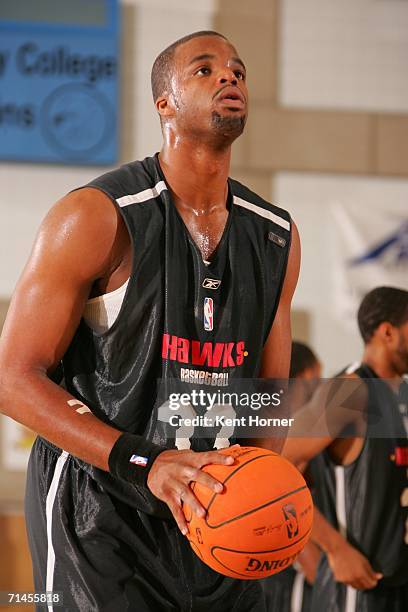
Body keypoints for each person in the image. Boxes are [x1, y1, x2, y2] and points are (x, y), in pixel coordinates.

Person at [0, 31, 300, 611]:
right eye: (205, 70)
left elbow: (270, 396)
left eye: (237, 70)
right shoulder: (93, 216)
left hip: (216, 512)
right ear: (164, 104)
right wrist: (148, 461)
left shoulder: (275, 234)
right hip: (99, 511)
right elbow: (13, 379)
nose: (229, 77)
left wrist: (262, 493)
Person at [283, 287, 408, 612]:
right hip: (356, 589)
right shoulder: (350, 392)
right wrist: (335, 548)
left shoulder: (401, 395)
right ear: (388, 332)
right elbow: (279, 464)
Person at [263, 341, 322, 612]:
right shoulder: (291, 436)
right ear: (308, 377)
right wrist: (318, 563)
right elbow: (278, 498)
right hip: (288, 572)